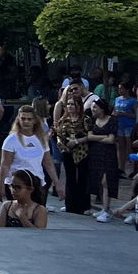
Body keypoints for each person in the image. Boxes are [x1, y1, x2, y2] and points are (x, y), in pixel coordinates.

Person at [0, 105, 61, 205]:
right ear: (19, 120)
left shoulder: (41, 139)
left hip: (36, 184)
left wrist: (57, 183)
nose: (26, 122)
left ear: (34, 120)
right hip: (16, 185)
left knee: (37, 216)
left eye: (29, 119)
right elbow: (5, 165)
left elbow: (48, 163)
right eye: (23, 119)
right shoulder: (11, 140)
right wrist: (0, 186)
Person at [52, 87, 92, 215]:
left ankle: (82, 205)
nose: (70, 107)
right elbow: (59, 133)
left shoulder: (85, 120)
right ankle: (70, 204)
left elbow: (89, 136)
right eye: (68, 104)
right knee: (70, 178)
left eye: (73, 104)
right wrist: (60, 142)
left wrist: (77, 142)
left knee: (82, 178)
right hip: (67, 151)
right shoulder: (64, 120)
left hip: (82, 152)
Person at [85, 99, 122, 223]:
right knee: (98, 180)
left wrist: (97, 138)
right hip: (95, 153)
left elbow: (111, 140)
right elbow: (89, 136)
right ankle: (103, 207)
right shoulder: (92, 120)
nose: (93, 109)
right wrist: (103, 137)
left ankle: (107, 208)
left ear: (102, 108)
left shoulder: (112, 120)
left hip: (108, 154)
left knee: (107, 180)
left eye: (95, 107)